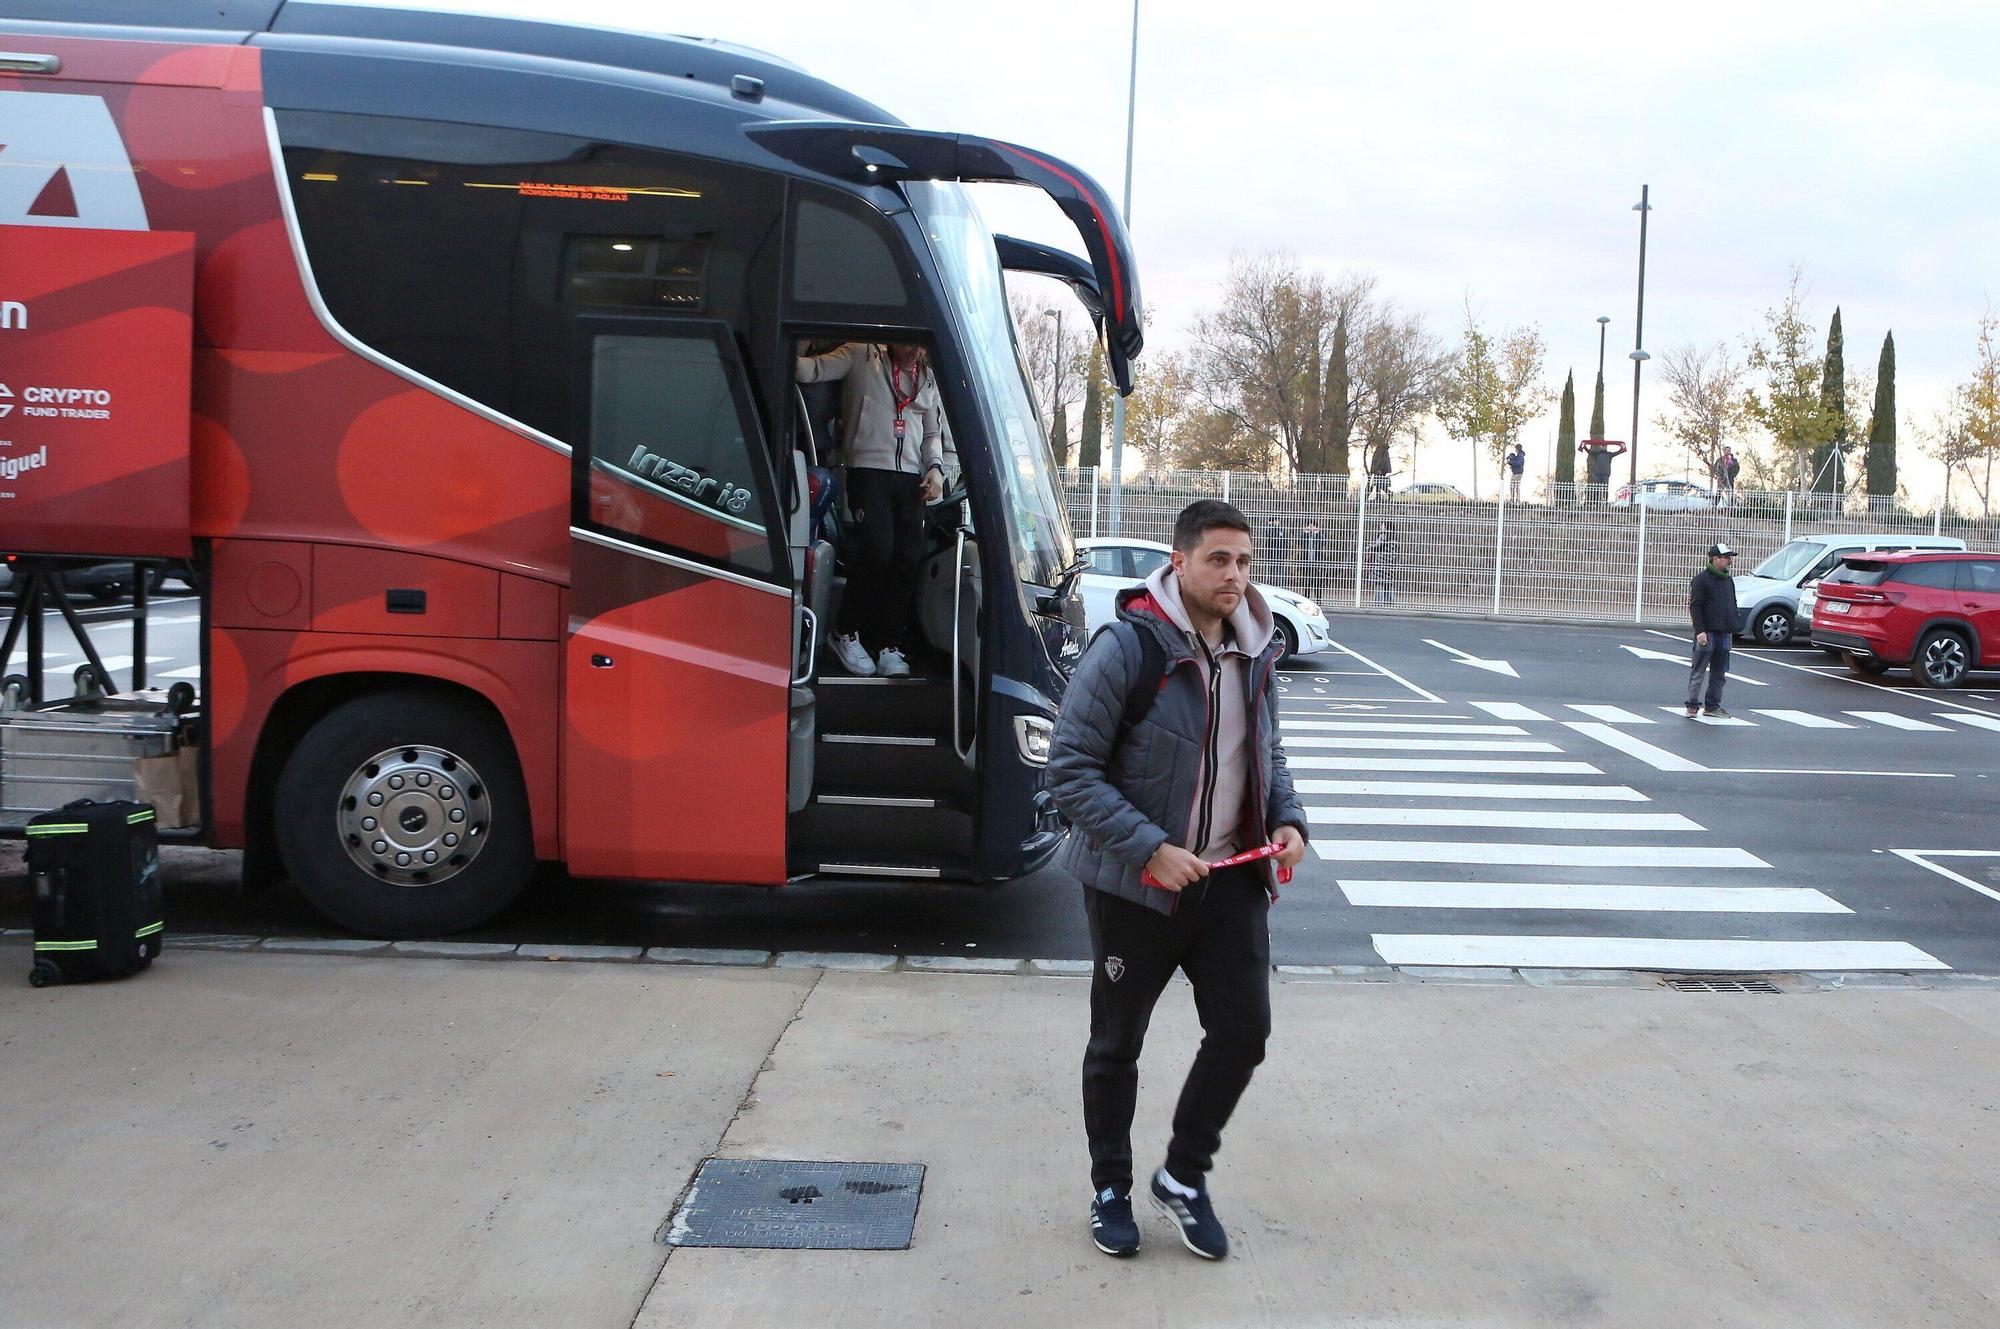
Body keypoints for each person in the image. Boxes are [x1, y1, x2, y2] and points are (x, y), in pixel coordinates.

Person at [1046, 498, 1309, 1262]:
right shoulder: (1130, 649)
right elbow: (1069, 768)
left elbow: (1269, 755)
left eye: (1245, 560)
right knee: (1117, 1041)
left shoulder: (1258, 649)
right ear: (1180, 560)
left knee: (1244, 1030)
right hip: (1137, 885)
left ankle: (1184, 1175)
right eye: (1219, 559)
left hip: (1229, 879)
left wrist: (1288, 821)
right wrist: (1149, 847)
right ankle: (1109, 1189)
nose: (1234, 575)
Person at [795, 342, 946, 677]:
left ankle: (888, 644)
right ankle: (844, 632)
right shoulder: (860, 355)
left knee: (908, 557)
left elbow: (932, 433)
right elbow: (812, 370)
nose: (914, 352)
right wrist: (793, 345)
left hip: (911, 478)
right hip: (867, 469)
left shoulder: (928, 378)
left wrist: (935, 468)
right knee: (878, 550)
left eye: (920, 346)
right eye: (909, 345)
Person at [1686, 542, 1738, 718]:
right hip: (1707, 633)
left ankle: (1712, 706)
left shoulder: (1728, 580)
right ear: (1715, 559)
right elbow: (1695, 607)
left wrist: (1733, 624)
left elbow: (1732, 603)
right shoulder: (1702, 580)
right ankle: (1692, 705)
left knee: (1719, 673)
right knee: (1698, 671)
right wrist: (1699, 630)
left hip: (1724, 634)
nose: (1729, 561)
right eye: (1726, 557)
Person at [1579, 438, 1627, 504]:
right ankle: (1595, 501)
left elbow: (1619, 452)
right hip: (1598, 474)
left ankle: (1605, 501)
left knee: (1605, 489)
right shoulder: (1597, 453)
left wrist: (1622, 448)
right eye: (1602, 446)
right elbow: (1589, 452)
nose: (1604, 447)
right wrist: (1584, 447)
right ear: (1601, 447)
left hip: (1605, 474)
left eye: (1605, 446)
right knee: (1596, 489)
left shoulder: (1609, 454)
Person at [1367, 521, 1398, 606]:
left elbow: (1378, 547)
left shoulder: (1383, 536)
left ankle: (1378, 602)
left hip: (1381, 564)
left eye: (1382, 525)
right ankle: (1389, 603)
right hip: (1390, 565)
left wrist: (1369, 546)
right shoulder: (1395, 538)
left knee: (1379, 584)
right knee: (1388, 584)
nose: (1381, 526)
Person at [1298, 516, 1328, 602]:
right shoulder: (1305, 536)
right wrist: (1305, 533)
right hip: (1307, 562)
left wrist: (1317, 533)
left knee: (1317, 581)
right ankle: (1306, 599)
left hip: (1317, 562)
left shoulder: (1319, 535)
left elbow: (1323, 543)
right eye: (1310, 526)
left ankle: (1318, 600)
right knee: (1306, 581)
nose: (1311, 528)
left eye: (1313, 526)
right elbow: (1299, 542)